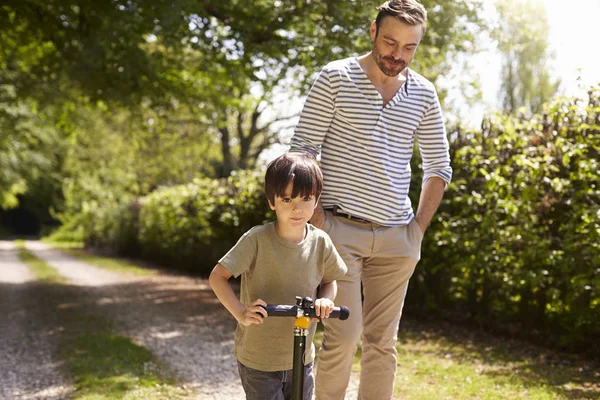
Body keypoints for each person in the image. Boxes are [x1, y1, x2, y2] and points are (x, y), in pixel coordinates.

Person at [289, 0, 452, 398]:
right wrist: (320, 219)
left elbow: (439, 167)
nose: (398, 55)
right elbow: (302, 149)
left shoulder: (424, 94)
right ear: (372, 30)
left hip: (399, 237)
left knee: (383, 344)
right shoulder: (336, 77)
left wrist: (417, 230)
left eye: (409, 47)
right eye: (390, 42)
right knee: (343, 338)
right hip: (340, 232)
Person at [209, 152, 348, 400]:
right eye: (287, 199)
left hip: (301, 357)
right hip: (259, 359)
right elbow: (217, 277)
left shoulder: (320, 242)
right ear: (272, 201)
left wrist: (326, 300)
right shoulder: (257, 239)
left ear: (316, 201)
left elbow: (329, 280)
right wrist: (241, 313)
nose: (297, 207)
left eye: (306, 198)